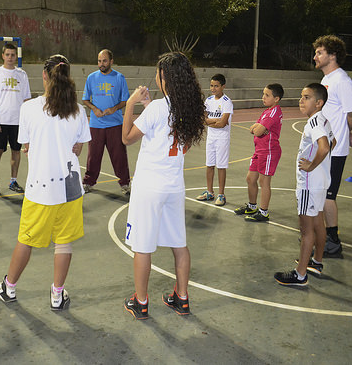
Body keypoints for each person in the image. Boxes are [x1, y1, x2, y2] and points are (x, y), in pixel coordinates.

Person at [0, 54, 91, 311]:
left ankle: (9, 287)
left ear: (45, 75)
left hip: (40, 189)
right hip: (70, 187)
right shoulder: (78, 110)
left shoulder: (30, 108)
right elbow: (79, 146)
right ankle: (57, 294)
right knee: (63, 241)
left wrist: (34, 146)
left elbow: (25, 144)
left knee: (26, 239)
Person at [121, 52, 206, 320]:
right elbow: (172, 134)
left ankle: (141, 301)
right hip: (174, 186)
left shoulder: (158, 108)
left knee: (142, 246)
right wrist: (148, 105)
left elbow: (127, 138)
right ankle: (182, 298)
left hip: (149, 186)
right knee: (179, 244)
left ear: (165, 78)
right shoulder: (188, 108)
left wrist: (131, 104)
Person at [275, 83, 335, 286]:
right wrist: (320, 164)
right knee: (318, 223)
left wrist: (311, 165)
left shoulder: (314, 122)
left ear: (319, 103)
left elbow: (324, 147)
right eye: (302, 96)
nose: (301, 100)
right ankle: (316, 261)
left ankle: (300, 275)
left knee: (306, 230)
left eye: (307, 97)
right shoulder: (324, 120)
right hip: (321, 182)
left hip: (309, 184)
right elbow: (332, 142)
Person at [313, 35, 352, 258]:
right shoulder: (326, 80)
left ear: (332, 55)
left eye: (319, 52)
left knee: (328, 196)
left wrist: (344, 133)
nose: (315, 56)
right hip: (325, 146)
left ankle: (333, 242)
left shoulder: (342, 81)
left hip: (334, 150)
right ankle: (322, 235)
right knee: (320, 192)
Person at [81, 49, 131, 195]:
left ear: (111, 61)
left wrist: (114, 108)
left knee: (119, 156)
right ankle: (88, 182)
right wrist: (94, 109)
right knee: (93, 156)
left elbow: (125, 100)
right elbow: (85, 99)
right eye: (99, 61)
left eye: (104, 61)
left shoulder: (119, 78)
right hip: (96, 125)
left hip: (115, 124)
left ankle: (125, 183)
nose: (101, 64)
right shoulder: (91, 78)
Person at [234, 83, 284, 222]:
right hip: (259, 150)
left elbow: (257, 131)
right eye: (263, 94)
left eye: (267, 95)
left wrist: (259, 129)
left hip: (269, 151)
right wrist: (259, 128)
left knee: (264, 181)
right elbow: (253, 128)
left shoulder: (273, 112)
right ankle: (252, 206)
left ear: (276, 99)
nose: (263, 97)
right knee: (250, 179)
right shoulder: (267, 111)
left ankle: (263, 212)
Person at [0, 43, 31, 196]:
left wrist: (27, 121)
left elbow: (26, 99)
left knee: (16, 151)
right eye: (7, 54)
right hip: (1, 121)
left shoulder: (22, 75)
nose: (10, 57)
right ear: (3, 56)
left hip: (18, 121)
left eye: (13, 55)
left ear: (16, 56)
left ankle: (13, 181)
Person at [196, 73, 233, 206]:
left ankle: (221, 194)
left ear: (223, 86)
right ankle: (210, 192)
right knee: (209, 164)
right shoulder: (208, 100)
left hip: (222, 138)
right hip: (211, 138)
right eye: (211, 85)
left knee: (221, 166)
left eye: (216, 86)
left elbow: (222, 124)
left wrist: (210, 121)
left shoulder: (227, 102)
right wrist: (216, 120)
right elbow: (202, 120)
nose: (213, 88)